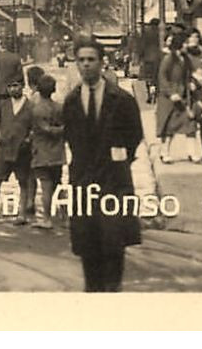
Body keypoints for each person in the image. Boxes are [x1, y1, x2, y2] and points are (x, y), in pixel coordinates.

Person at [61, 37, 145, 292]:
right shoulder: (72, 101)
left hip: (113, 181)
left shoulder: (121, 99)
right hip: (83, 183)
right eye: (81, 60)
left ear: (101, 63)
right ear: (76, 64)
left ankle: (112, 295)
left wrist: (117, 161)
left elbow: (135, 135)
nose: (86, 65)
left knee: (113, 243)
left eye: (91, 60)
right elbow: (70, 138)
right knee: (88, 247)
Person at [0, 78, 35, 225]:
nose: (12, 89)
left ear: (22, 86)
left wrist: (28, 140)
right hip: (4, 149)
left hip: (22, 150)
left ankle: (22, 215)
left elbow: (35, 128)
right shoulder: (4, 105)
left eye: (15, 85)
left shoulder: (30, 107)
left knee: (23, 181)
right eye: (9, 86)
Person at [29, 74, 65, 230]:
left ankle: (47, 218)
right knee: (58, 184)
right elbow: (64, 126)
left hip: (42, 152)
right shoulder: (59, 107)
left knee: (46, 187)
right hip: (57, 153)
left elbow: (44, 130)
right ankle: (65, 216)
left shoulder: (35, 109)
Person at [154, 31, 194, 162]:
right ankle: (164, 152)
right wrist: (171, 93)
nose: (187, 45)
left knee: (189, 124)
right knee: (168, 127)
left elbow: (188, 75)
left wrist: (192, 84)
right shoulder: (168, 59)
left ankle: (192, 152)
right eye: (185, 43)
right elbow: (162, 77)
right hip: (168, 99)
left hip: (182, 96)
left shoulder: (185, 58)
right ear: (180, 45)